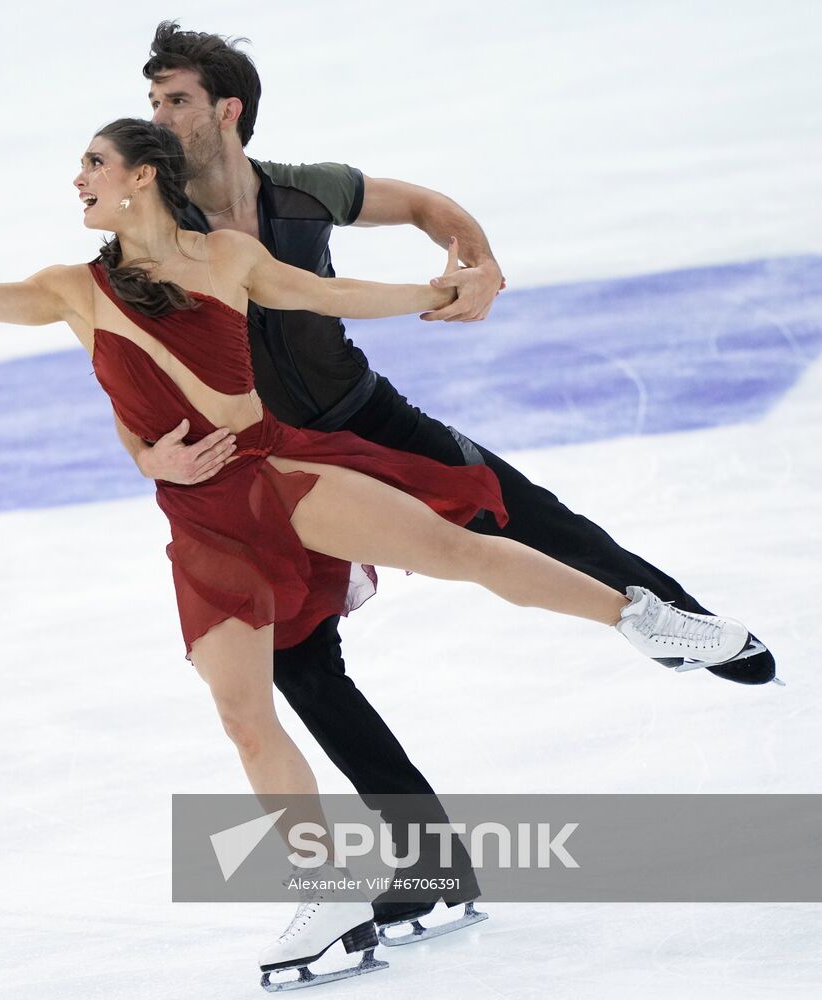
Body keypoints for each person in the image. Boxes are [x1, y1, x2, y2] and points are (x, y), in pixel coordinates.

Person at [0, 118, 753, 985]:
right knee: (242, 712)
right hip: (203, 524)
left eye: (91, 165)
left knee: (457, 547)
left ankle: (646, 617)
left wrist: (426, 296)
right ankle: (325, 896)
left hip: (279, 477)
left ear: (141, 175)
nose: (78, 183)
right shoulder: (73, 290)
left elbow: (323, 295)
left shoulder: (224, 257)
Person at [122, 19, 776, 944]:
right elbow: (117, 350)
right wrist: (149, 454)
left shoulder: (307, 191)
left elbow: (428, 206)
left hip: (364, 414)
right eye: (152, 101)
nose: (158, 115)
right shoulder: (155, 222)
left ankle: (679, 624)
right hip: (275, 464)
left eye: (175, 99)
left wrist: (477, 261)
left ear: (228, 110)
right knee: (302, 666)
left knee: (524, 512)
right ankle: (425, 859)